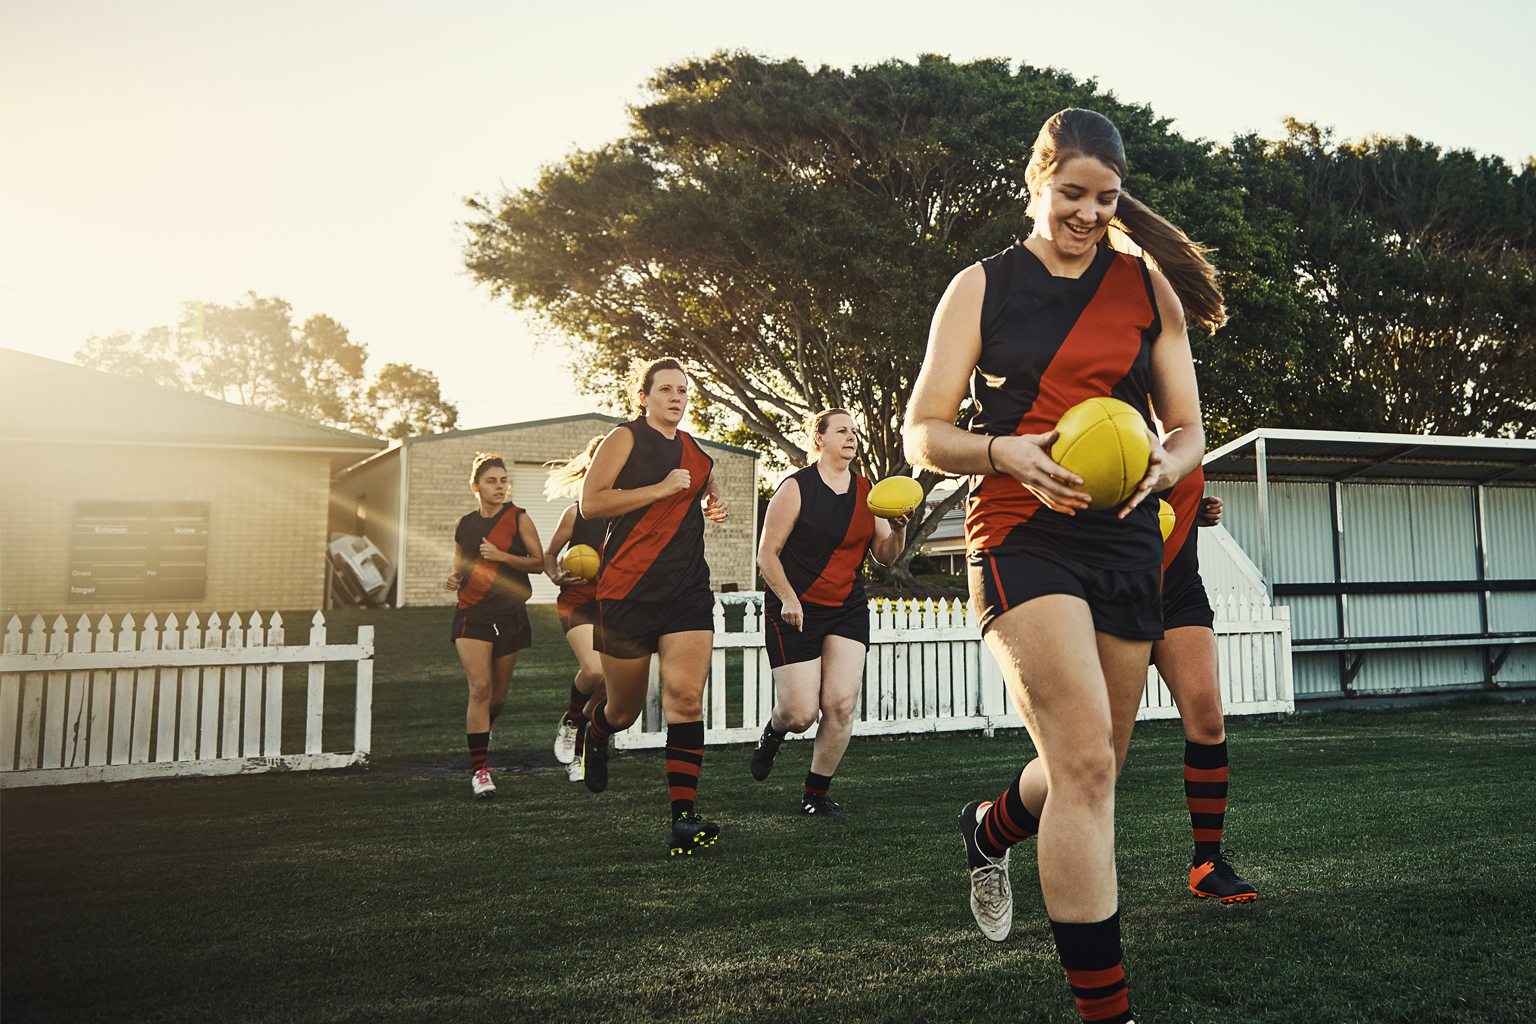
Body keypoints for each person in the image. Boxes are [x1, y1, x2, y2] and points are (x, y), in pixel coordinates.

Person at [903, 108, 1226, 1024]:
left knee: (1094, 765)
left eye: (1105, 199)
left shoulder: (1147, 290)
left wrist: (1169, 462)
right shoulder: (981, 287)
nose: (1088, 213)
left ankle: (990, 823)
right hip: (1019, 526)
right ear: (1037, 183)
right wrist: (1004, 453)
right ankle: (1108, 1014)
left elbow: (1188, 424)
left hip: (1126, 539)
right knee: (1085, 764)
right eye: (1072, 194)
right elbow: (921, 430)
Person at [577, 357, 730, 856]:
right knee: (623, 710)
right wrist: (660, 490)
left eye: (683, 390)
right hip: (626, 591)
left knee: (685, 699)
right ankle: (595, 732)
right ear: (643, 396)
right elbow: (591, 504)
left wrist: (714, 501)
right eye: (665, 389)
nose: (676, 397)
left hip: (686, 592)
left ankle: (682, 820)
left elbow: (704, 481)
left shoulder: (695, 451)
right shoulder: (624, 438)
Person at [749, 409, 907, 817]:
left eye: (854, 431)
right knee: (800, 714)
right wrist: (787, 597)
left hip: (846, 608)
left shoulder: (868, 492)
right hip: (794, 607)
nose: (851, 437)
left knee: (840, 705)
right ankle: (774, 732)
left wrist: (900, 527)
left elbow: (885, 556)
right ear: (818, 439)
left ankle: (814, 795)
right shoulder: (795, 488)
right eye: (841, 431)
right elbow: (767, 554)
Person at [1154, 474, 1259, 902]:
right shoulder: (1098, 413)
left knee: (1208, 722)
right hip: (1112, 595)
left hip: (1179, 594)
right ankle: (991, 826)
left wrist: (1187, 511)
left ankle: (1206, 865)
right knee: (1089, 749)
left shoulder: (1182, 422)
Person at [444, 453, 544, 800]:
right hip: (472, 612)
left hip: (510, 613)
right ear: (476, 486)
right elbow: (461, 565)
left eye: (503, 480)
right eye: (491, 481)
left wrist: (503, 557)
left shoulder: (519, 519)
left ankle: (484, 729)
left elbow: (538, 562)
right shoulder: (465, 524)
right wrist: (455, 578)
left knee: (497, 698)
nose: (499, 487)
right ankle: (480, 771)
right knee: (480, 687)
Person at [542, 437, 609, 783]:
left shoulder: (629, 511)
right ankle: (570, 720)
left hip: (614, 604)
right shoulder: (575, 513)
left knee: (608, 689)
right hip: (578, 600)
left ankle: (580, 753)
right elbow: (548, 555)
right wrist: (555, 575)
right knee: (594, 670)